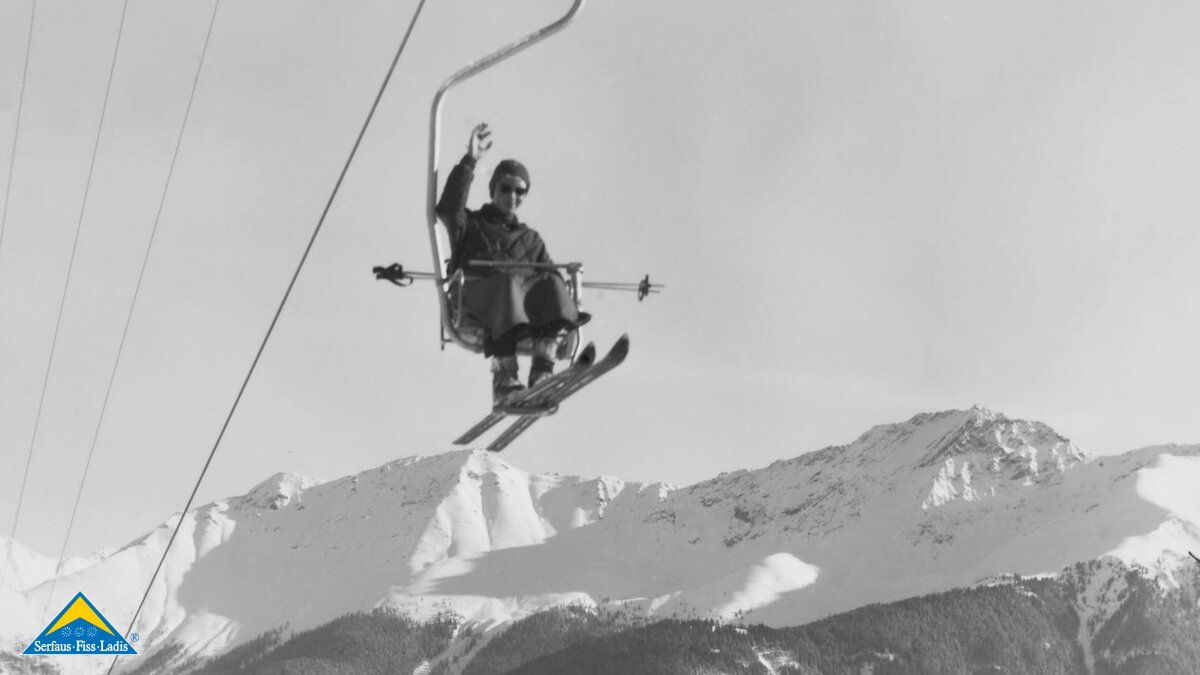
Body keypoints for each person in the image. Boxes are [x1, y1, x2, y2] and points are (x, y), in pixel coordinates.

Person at [436, 123, 588, 404]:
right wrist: (470, 161)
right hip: (477, 299)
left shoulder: (530, 239)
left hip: (517, 307)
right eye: (506, 189)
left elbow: (550, 283)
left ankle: (542, 372)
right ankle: (505, 377)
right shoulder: (471, 225)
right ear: (494, 189)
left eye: (520, 192)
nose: (512, 197)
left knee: (551, 283)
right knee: (507, 284)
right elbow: (447, 208)